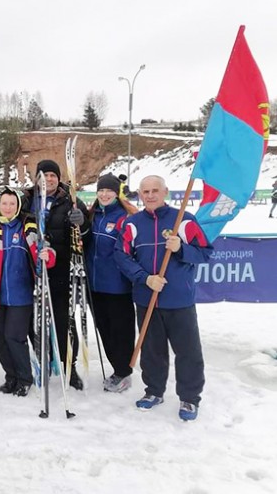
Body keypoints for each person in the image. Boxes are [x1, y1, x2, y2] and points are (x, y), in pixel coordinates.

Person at [114, 175, 211, 421]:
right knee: (151, 351)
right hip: (147, 299)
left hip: (179, 300)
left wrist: (181, 249)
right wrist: (145, 278)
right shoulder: (132, 224)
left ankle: (189, 398)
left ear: (165, 192)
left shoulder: (184, 221)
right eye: (145, 191)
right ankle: (154, 391)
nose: (150, 195)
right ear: (139, 194)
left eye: (155, 190)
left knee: (188, 351)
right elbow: (122, 256)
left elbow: (205, 253)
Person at [0, 187, 55, 396]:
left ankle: (24, 377)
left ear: (17, 206)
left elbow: (46, 251)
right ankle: (10, 376)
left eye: (12, 204)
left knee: (14, 337)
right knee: (1, 339)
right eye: (4, 203)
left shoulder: (27, 228)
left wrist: (48, 256)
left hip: (21, 296)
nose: (8, 207)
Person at [21, 159, 90, 390]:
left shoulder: (71, 201)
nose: (48, 179)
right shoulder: (27, 201)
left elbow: (85, 239)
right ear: (36, 178)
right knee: (34, 321)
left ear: (58, 178)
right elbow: (9, 221)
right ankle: (43, 360)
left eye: (52, 175)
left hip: (61, 271)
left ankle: (69, 367)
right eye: (44, 175)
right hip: (31, 271)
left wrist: (82, 224)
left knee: (63, 322)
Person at [84, 173, 138, 393]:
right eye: (101, 190)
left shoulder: (125, 217)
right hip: (94, 287)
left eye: (109, 191)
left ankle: (124, 371)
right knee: (104, 329)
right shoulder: (92, 215)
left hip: (117, 287)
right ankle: (117, 369)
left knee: (121, 331)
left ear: (117, 194)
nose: (104, 194)